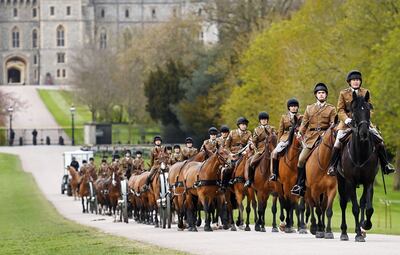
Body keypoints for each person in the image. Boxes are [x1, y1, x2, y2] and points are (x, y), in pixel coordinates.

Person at [327, 70, 395, 176]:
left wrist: (366, 117)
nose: (356, 82)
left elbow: (371, 108)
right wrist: (346, 119)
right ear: (349, 82)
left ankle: (386, 165)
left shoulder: (365, 92)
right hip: (347, 124)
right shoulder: (343, 93)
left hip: (363, 122)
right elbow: (340, 110)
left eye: (358, 80)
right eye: (354, 80)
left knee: (380, 140)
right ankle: (332, 166)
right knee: (337, 142)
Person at [291, 83, 336, 197]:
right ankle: (300, 185)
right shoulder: (309, 108)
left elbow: (333, 124)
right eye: (319, 93)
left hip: (326, 137)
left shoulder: (331, 109)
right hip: (311, 138)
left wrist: (327, 132)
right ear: (316, 95)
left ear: (326, 95)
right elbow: (304, 124)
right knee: (301, 159)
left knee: (338, 155)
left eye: (323, 93)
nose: (321, 95)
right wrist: (300, 133)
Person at [270, 98, 301, 182]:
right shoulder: (284, 117)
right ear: (289, 108)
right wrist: (278, 142)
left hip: (297, 137)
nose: (294, 108)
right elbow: (281, 130)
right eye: (292, 106)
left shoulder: (301, 117)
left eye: (295, 106)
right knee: (274, 153)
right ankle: (274, 173)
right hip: (285, 138)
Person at [245, 112, 275, 187]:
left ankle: (276, 176)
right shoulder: (256, 129)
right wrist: (253, 146)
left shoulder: (272, 128)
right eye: (262, 119)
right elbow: (254, 141)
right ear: (260, 121)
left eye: (265, 119)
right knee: (251, 162)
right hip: (260, 150)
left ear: (267, 120)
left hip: (271, 149)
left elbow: (275, 139)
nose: (264, 121)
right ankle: (249, 180)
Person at [224, 117, 252, 187]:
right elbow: (226, 146)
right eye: (242, 124)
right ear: (239, 125)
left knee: (251, 165)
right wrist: (230, 154)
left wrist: (246, 151)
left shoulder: (249, 133)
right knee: (227, 168)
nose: (244, 126)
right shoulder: (232, 132)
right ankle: (225, 184)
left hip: (244, 154)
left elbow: (250, 144)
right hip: (233, 154)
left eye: (245, 124)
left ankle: (250, 181)